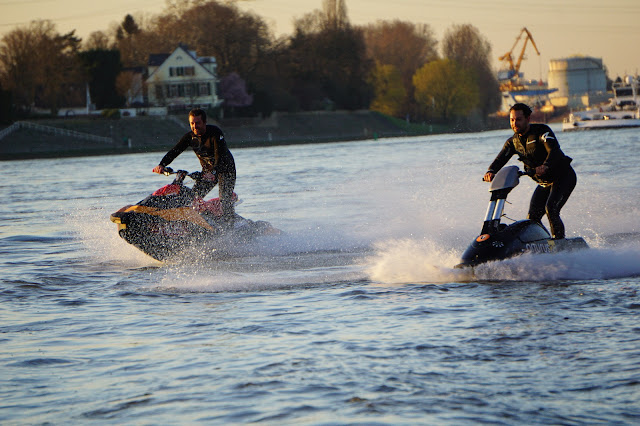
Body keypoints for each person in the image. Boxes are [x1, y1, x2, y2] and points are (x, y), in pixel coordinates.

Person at [483, 103, 576, 239]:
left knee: (551, 209)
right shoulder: (513, 142)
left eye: (518, 119)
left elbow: (553, 150)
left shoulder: (542, 131)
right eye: (512, 120)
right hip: (544, 183)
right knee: (533, 218)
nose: (515, 123)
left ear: (528, 119)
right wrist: (491, 171)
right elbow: (500, 159)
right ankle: (544, 242)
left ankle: (559, 243)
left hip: (563, 177)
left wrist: (546, 165)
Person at [153, 108, 236, 224]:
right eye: (192, 123)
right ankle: (200, 222)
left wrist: (213, 173)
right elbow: (175, 151)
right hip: (207, 172)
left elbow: (219, 155)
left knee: (225, 200)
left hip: (225, 170)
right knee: (193, 198)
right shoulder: (190, 137)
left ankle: (230, 225)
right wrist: (162, 164)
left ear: (204, 122)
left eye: (197, 123)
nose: (195, 126)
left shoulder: (215, 132)